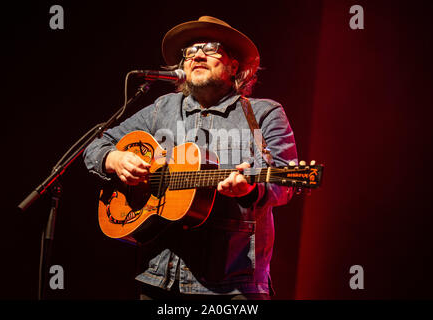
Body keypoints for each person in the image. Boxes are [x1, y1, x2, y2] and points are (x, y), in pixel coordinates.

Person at [83, 16, 298, 300]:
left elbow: (285, 181)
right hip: (159, 279)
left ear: (234, 66)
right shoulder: (161, 108)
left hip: (233, 286)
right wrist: (114, 159)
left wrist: (250, 189)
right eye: (190, 51)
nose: (197, 54)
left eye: (210, 47)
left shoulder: (262, 114)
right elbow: (97, 144)